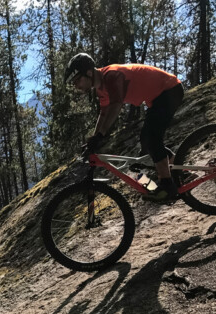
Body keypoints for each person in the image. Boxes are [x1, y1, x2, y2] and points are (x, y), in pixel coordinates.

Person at [65, 53, 184, 202]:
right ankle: (182, 174)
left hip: (170, 90)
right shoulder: (101, 88)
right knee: (146, 145)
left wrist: (101, 135)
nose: (76, 86)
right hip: (158, 98)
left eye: (77, 80)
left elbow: (116, 105)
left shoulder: (111, 76)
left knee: (152, 139)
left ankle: (167, 187)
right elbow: (104, 113)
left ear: (89, 73)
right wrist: (94, 138)